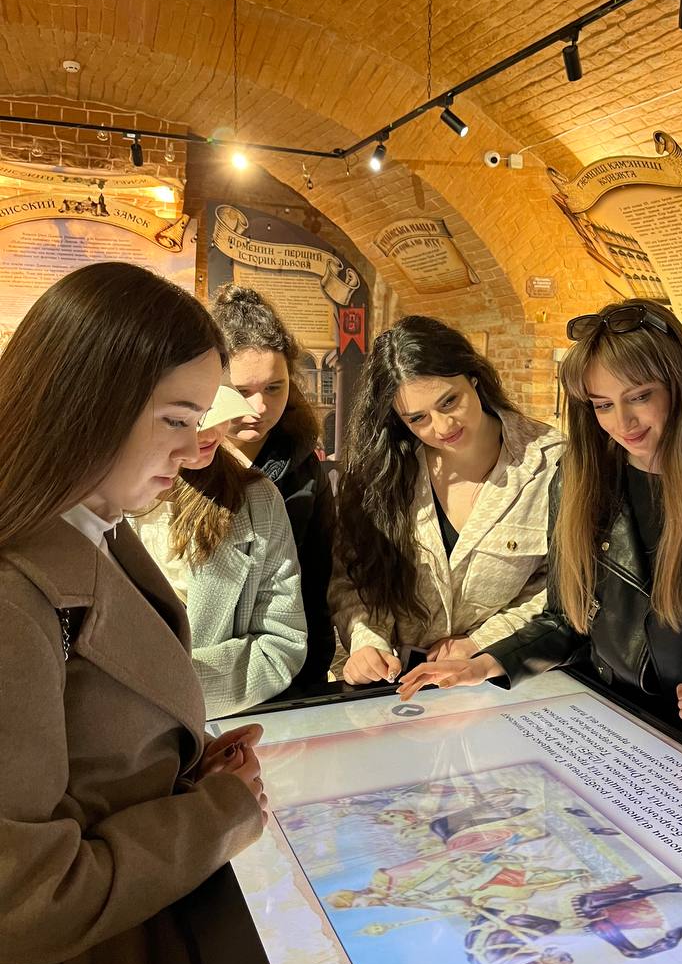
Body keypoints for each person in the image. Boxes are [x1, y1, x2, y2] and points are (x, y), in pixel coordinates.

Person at [0, 262, 267, 964]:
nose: (196, 451)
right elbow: (22, 898)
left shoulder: (95, 531)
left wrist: (181, 766)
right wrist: (216, 813)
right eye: (178, 420)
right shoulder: (15, 591)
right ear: (89, 399)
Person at [399, 300, 682, 736]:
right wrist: (484, 664)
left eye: (640, 396)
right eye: (602, 405)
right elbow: (566, 620)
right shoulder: (580, 479)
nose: (623, 422)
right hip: (609, 715)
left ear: (680, 385)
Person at [331, 316, 563, 683]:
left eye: (449, 402)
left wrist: (481, 643)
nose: (442, 427)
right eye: (418, 418)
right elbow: (353, 575)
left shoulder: (551, 463)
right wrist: (366, 643)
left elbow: (560, 588)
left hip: (499, 676)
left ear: (474, 379)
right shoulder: (381, 472)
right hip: (395, 682)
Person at [129, 382, 308, 715]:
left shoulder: (255, 500)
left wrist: (175, 686)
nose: (210, 431)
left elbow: (282, 643)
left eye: (214, 409)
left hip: (218, 724)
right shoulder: (94, 503)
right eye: (184, 417)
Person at [209, 284, 335, 691]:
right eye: (241, 391)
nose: (259, 408)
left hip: (286, 670)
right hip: (201, 672)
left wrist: (311, 679)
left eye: (274, 388)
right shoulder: (179, 462)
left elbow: (316, 580)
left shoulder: (303, 466)